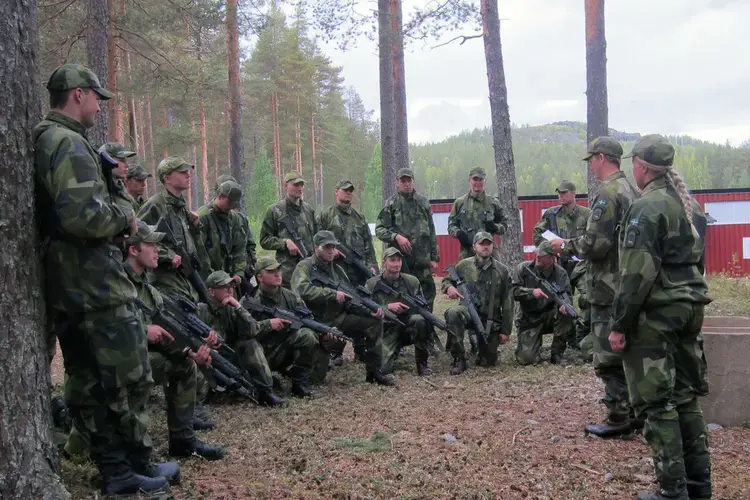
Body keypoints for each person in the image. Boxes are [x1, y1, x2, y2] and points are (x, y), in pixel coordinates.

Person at [33, 63, 168, 494]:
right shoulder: (67, 143)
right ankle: (125, 466)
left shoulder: (48, 138)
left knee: (90, 380)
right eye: (95, 97)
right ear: (77, 95)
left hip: (74, 283)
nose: (97, 106)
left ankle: (119, 470)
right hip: (92, 284)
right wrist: (125, 211)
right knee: (123, 378)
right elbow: (85, 218)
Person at [610, 135, 711, 500]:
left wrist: (620, 325)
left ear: (641, 165)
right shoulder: (691, 207)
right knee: (685, 397)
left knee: (657, 402)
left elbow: (636, 274)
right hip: (690, 310)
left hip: (656, 316)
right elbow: (699, 264)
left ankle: (672, 490)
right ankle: (700, 486)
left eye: (633, 162)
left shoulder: (646, 208)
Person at [549, 136, 640, 438]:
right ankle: (636, 412)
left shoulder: (607, 193)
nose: (590, 166)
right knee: (630, 350)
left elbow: (596, 244)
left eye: (591, 160)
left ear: (601, 158)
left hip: (607, 284)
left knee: (608, 355)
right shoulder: (633, 190)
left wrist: (564, 245)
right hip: (630, 283)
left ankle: (618, 417)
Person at [124, 222, 226, 460]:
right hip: (119, 360)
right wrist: (143, 330)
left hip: (139, 354)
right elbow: (107, 325)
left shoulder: (148, 290)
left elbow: (168, 331)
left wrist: (188, 351)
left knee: (184, 364)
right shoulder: (118, 282)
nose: (157, 250)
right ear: (133, 250)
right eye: (151, 245)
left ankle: (183, 441)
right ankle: (135, 453)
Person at [291, 230, 395, 386]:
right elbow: (301, 290)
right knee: (315, 380)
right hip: (314, 322)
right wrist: (331, 294)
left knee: (374, 322)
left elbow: (351, 298)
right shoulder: (304, 267)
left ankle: (374, 372)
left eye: (333, 247)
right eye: (326, 247)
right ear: (315, 248)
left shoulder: (337, 270)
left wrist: (369, 310)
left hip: (338, 319)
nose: (331, 250)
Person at [197, 270, 286, 406]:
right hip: (208, 360)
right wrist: (204, 344)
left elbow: (252, 330)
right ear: (211, 292)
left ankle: (266, 392)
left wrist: (239, 307)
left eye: (231, 286)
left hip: (230, 357)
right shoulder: (200, 310)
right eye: (224, 287)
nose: (230, 290)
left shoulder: (232, 308)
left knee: (251, 344)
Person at [246, 256, 327, 396]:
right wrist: (268, 325)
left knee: (308, 335)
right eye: (271, 271)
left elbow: (309, 321)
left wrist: (325, 335)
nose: (278, 274)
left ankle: (299, 383)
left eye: (278, 270)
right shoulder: (250, 300)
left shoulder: (291, 297)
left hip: (281, 350)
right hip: (258, 356)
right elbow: (242, 332)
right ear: (259, 277)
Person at [317, 178, 378, 364]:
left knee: (361, 307)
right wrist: (329, 252)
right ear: (336, 191)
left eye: (350, 191)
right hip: (336, 271)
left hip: (358, 272)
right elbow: (317, 239)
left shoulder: (359, 217)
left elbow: (368, 243)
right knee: (339, 310)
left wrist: (373, 264)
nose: (348, 193)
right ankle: (336, 352)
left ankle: (360, 348)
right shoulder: (326, 215)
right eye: (344, 190)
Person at [532, 180, 591, 353]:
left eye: (564, 192)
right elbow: (537, 234)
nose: (561, 195)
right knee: (564, 301)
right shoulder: (551, 214)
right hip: (559, 265)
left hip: (581, 265)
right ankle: (568, 337)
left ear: (573, 193)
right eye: (559, 193)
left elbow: (593, 238)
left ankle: (582, 334)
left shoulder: (587, 214)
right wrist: (551, 250)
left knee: (587, 297)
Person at [442, 232, 514, 375]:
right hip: (467, 313)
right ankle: (459, 358)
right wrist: (449, 288)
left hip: (490, 320)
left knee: (488, 361)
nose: (485, 247)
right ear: (474, 247)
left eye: (488, 244)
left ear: (493, 246)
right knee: (453, 313)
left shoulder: (502, 271)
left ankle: (477, 344)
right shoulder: (463, 265)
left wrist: (506, 331)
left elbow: (508, 302)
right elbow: (447, 280)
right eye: (482, 244)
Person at [138, 156, 203, 301]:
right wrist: (167, 255)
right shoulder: (155, 204)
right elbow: (137, 237)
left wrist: (195, 226)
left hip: (183, 276)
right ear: (167, 178)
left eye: (187, 171)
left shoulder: (180, 205)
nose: (188, 175)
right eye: (181, 172)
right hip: (164, 278)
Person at [375, 168, 440, 309]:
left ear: (413, 182)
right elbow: (379, 230)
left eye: (409, 180)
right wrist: (396, 237)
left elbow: (431, 230)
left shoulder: (423, 202)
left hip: (422, 261)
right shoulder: (391, 203)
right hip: (401, 263)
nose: (406, 184)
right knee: (405, 296)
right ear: (397, 183)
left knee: (428, 294)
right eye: (403, 181)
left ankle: (427, 328)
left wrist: (435, 258)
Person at [365, 247, 433, 376]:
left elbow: (423, 307)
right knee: (383, 370)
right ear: (384, 262)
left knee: (419, 320)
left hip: (407, 325)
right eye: (392, 260)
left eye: (399, 260)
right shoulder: (372, 284)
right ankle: (392, 349)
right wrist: (387, 307)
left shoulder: (412, 281)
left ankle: (422, 363)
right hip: (385, 329)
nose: (397, 264)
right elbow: (364, 307)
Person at [512, 241, 575, 365]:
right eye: (537, 254)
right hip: (528, 320)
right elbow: (513, 292)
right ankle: (530, 344)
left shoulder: (560, 274)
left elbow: (566, 295)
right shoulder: (523, 268)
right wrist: (531, 292)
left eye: (542, 255)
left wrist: (563, 306)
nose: (538, 257)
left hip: (548, 317)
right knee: (527, 359)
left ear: (552, 258)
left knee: (566, 313)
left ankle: (557, 354)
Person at [260, 172, 317, 287]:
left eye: (301, 185)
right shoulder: (275, 211)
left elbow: (316, 238)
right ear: (286, 186)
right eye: (295, 185)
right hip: (287, 274)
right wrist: (285, 243)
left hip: (309, 271)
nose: (300, 188)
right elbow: (264, 240)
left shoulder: (308, 210)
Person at [448, 166, 508, 259]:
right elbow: (451, 225)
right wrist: (459, 233)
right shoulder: (459, 203)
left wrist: (495, 227)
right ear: (469, 180)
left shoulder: (493, 203)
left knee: (499, 272)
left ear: (485, 181)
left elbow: (505, 225)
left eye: (481, 179)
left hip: (488, 252)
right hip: (467, 252)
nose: (478, 183)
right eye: (475, 179)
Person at [196, 179, 247, 284]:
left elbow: (240, 249)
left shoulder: (235, 219)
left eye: (234, 204)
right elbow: (199, 254)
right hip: (208, 279)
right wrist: (214, 279)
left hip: (229, 279)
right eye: (230, 202)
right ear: (220, 196)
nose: (232, 206)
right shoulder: (203, 217)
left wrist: (238, 273)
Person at [98, 142, 139, 213]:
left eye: (126, 160)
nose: (127, 165)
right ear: (107, 160)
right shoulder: (98, 189)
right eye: (122, 160)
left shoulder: (121, 189)